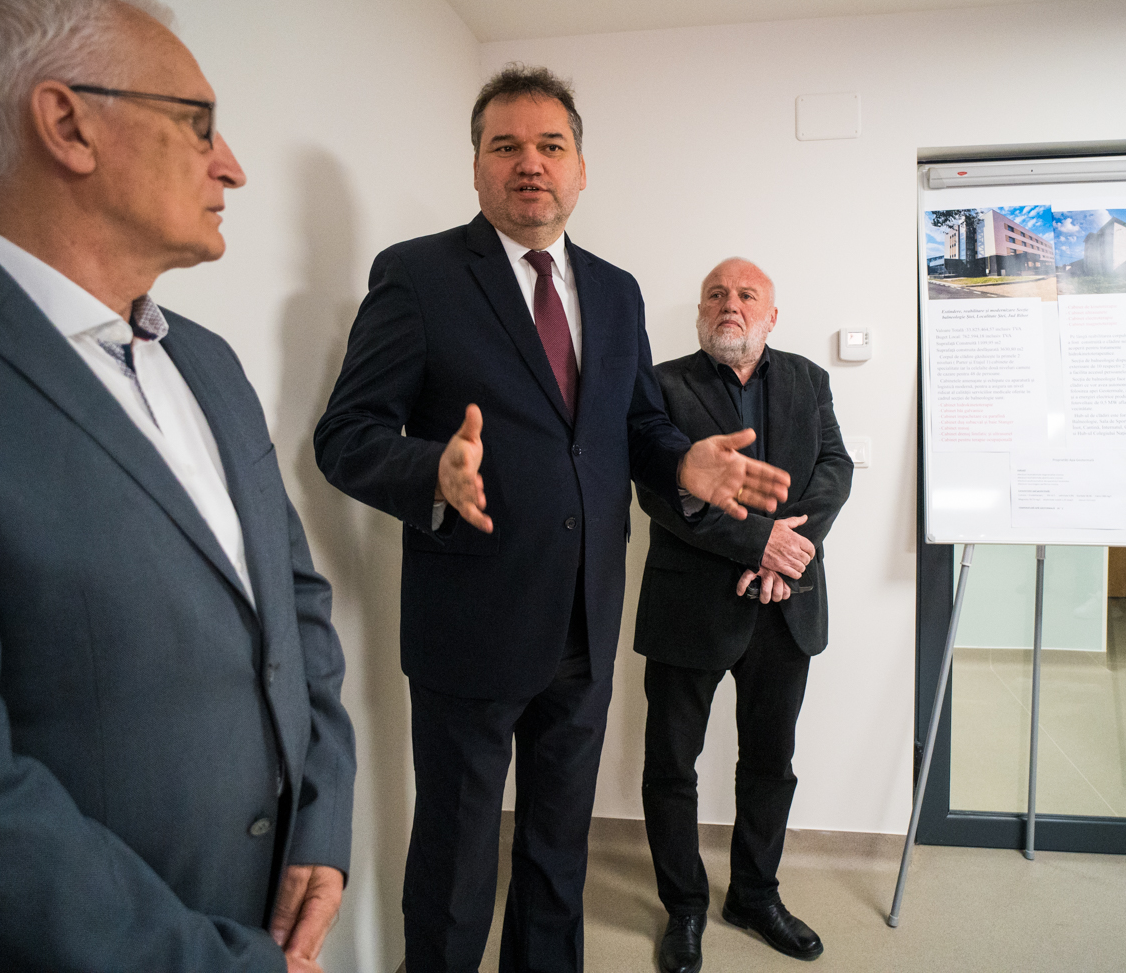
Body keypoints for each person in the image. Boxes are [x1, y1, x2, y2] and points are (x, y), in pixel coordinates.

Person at [0, 0, 355, 973]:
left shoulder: (208, 361)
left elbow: (293, 605)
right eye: (199, 124)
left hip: (267, 907)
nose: (233, 166)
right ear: (68, 125)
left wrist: (323, 821)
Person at [314, 65, 790, 973]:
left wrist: (682, 461)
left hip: (584, 620)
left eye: (550, 145)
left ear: (580, 169)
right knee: (456, 864)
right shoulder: (418, 275)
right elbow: (346, 434)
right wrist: (432, 470)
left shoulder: (615, 290)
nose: (529, 163)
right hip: (469, 622)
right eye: (506, 146)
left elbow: (637, 426)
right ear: (477, 166)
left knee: (557, 855)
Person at [634, 258, 852, 973]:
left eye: (747, 294)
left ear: (771, 315)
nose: (731, 303)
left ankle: (755, 895)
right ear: (701, 311)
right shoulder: (661, 384)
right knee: (672, 766)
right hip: (689, 607)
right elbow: (661, 493)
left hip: (785, 607)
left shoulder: (809, 380)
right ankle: (685, 907)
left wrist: (785, 553)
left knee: (769, 763)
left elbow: (834, 470)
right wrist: (758, 543)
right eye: (717, 294)